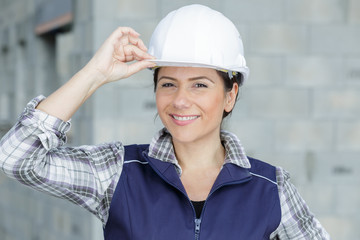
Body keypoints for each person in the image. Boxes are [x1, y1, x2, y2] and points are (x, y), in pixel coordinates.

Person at [0, 4, 330, 240]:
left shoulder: (271, 187)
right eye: (168, 83)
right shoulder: (118, 172)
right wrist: (94, 74)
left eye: (200, 84)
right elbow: (16, 158)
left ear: (230, 95)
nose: (180, 100)